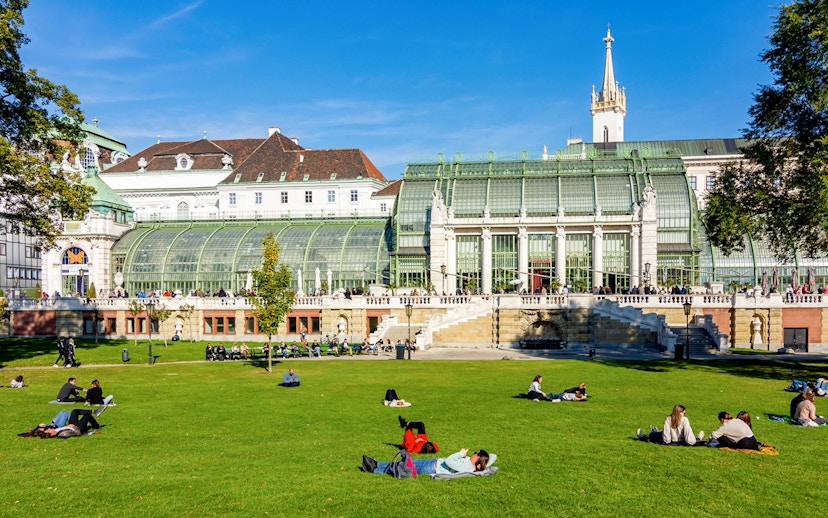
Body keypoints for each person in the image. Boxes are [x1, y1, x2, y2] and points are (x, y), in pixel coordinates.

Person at [361, 448, 495, 476]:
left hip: (431, 467)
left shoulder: (467, 465)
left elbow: (449, 461)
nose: (474, 453)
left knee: (403, 467)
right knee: (403, 464)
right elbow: (493, 457)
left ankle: (374, 469)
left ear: (478, 458)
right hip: (432, 463)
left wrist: (460, 453)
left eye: (476, 453)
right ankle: (377, 464)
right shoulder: (468, 463)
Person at [637, 404, 704, 445]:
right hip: (679, 439)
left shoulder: (669, 419)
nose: (684, 415)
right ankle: (698, 438)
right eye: (684, 413)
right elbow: (689, 437)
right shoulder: (684, 419)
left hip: (671, 438)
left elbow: (666, 437)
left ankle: (649, 434)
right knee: (655, 434)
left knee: (653, 435)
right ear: (679, 412)